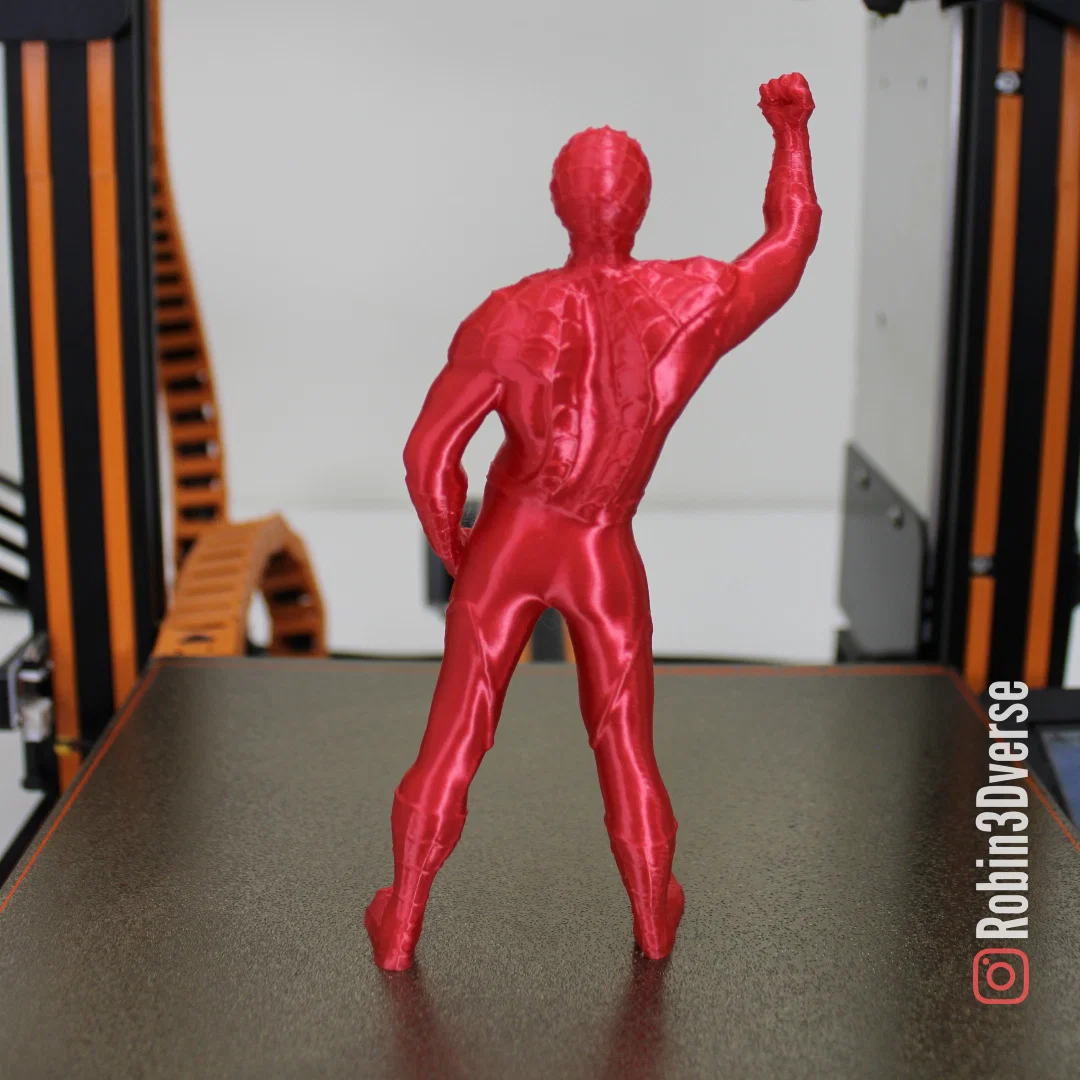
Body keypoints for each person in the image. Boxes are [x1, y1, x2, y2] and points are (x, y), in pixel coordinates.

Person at [366, 72, 821, 971]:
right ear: (639, 205)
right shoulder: (692, 297)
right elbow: (791, 239)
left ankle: (403, 922)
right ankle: (652, 919)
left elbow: (428, 458)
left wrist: (462, 554)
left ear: (558, 204)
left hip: (510, 537)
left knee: (454, 737)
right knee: (625, 746)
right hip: (602, 543)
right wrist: (791, 134)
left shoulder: (510, 312)